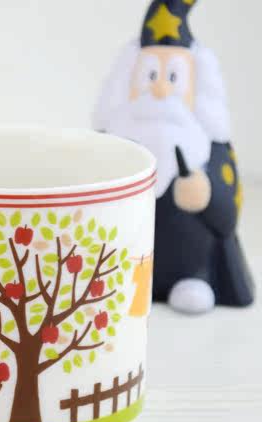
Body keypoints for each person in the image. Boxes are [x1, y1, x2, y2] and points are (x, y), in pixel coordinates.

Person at [93, 0, 253, 313]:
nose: (161, 90)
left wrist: (206, 196)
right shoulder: (108, 144)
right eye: (151, 75)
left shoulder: (209, 148)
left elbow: (227, 218)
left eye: (174, 77)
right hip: (124, 267)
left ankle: (194, 278)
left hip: (192, 269)